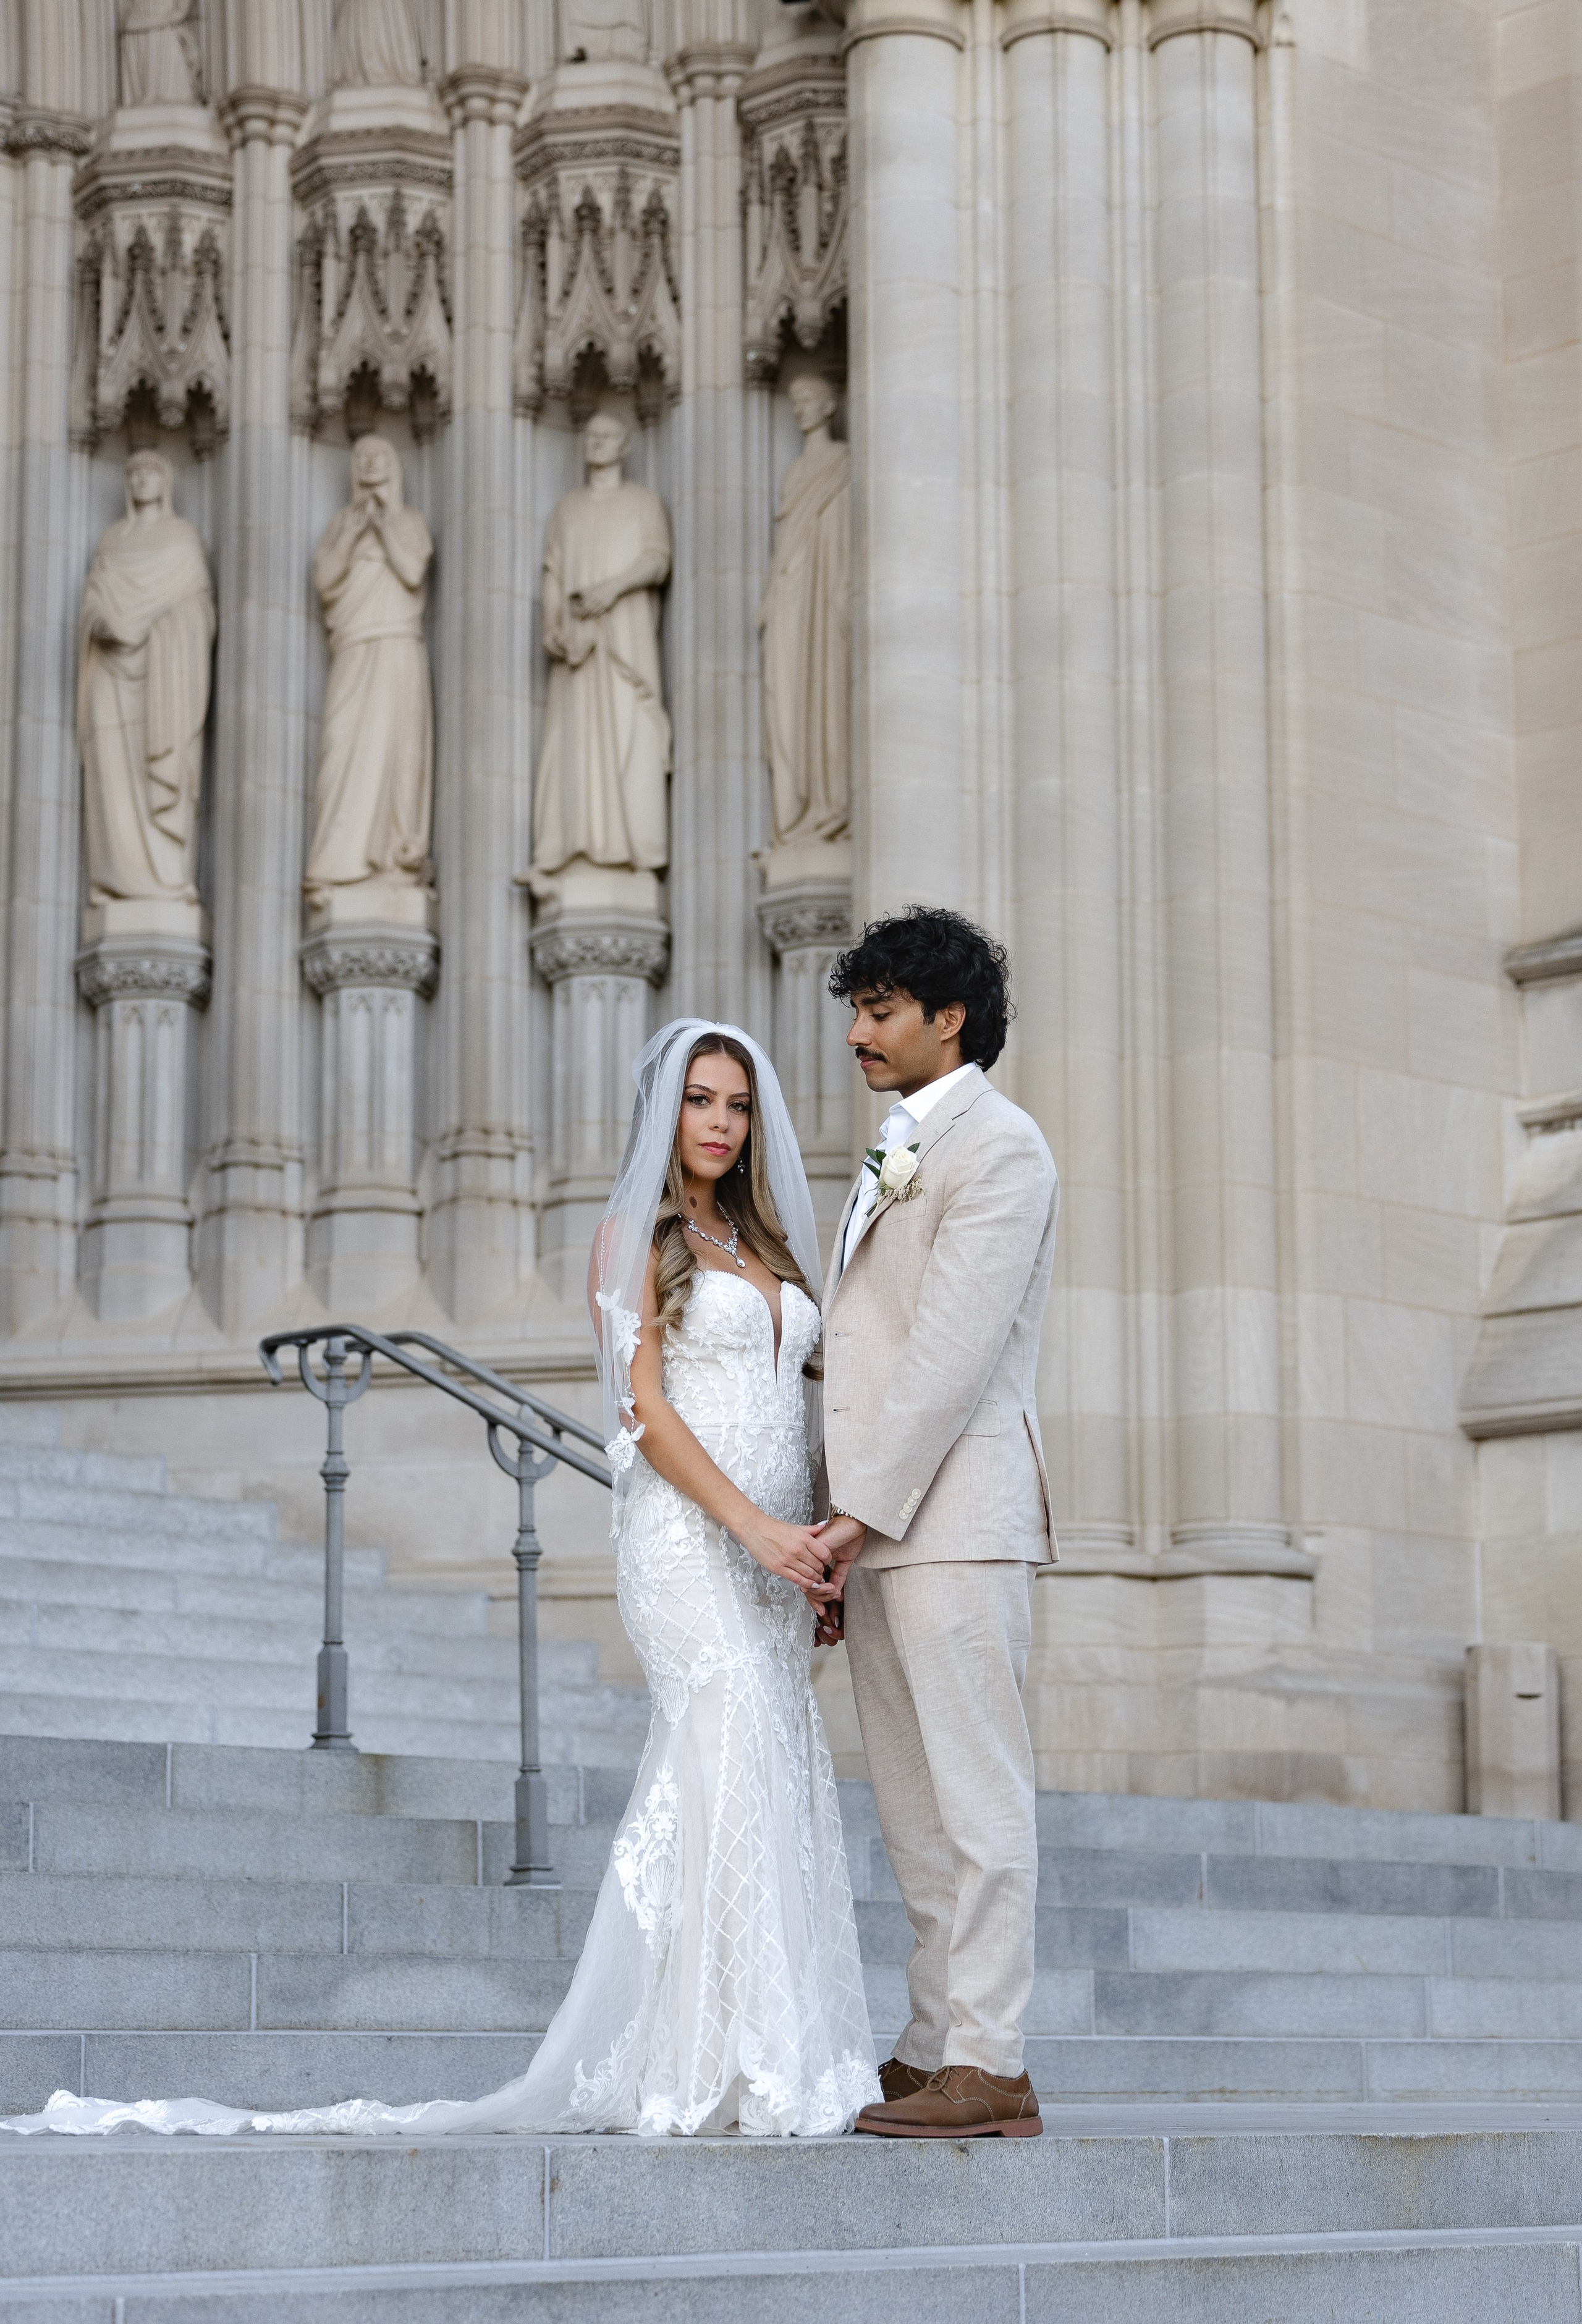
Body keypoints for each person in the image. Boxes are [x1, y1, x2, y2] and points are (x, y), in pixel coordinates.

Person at [3, 1022, 879, 2141]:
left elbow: (794, 1406)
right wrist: (755, 1529)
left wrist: (810, 1552)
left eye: (738, 1104)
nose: (720, 1122)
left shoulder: (770, 1245)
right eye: (700, 1099)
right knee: (734, 1742)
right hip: (690, 1543)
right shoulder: (631, 1238)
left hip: (775, 1557)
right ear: (665, 1113)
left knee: (762, 1773)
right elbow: (646, 1413)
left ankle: (756, 2049)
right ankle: (713, 2065)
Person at [819, 906, 1059, 2140]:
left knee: (978, 1798)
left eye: (880, 1011)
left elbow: (949, 1358)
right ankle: (931, 2047)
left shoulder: (1002, 1149)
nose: (858, 1033)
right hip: (874, 1525)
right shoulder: (897, 1144)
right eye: (858, 1011)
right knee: (913, 1809)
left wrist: (851, 1512)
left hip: (954, 1516)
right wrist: (836, 1521)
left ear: (948, 1018)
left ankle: (992, 2059)